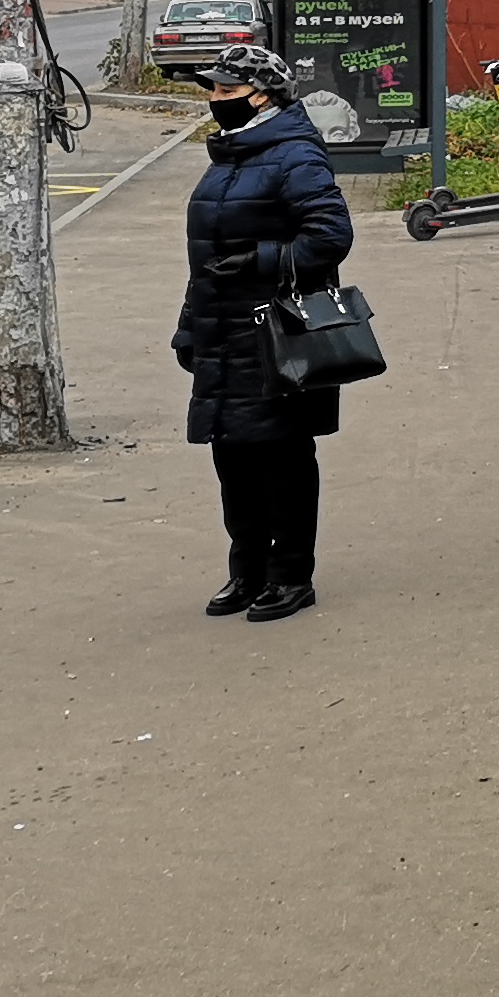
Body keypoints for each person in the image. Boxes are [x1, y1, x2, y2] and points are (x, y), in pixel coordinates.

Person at [175, 44, 355, 621]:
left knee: (280, 456)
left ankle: (290, 576)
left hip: (279, 331)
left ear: (264, 97)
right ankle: (246, 571)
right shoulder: (228, 157)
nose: (215, 100)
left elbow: (329, 237)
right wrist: (188, 329)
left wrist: (260, 262)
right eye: (214, 90)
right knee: (232, 457)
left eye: (227, 91)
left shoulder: (296, 156)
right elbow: (205, 256)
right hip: (221, 330)